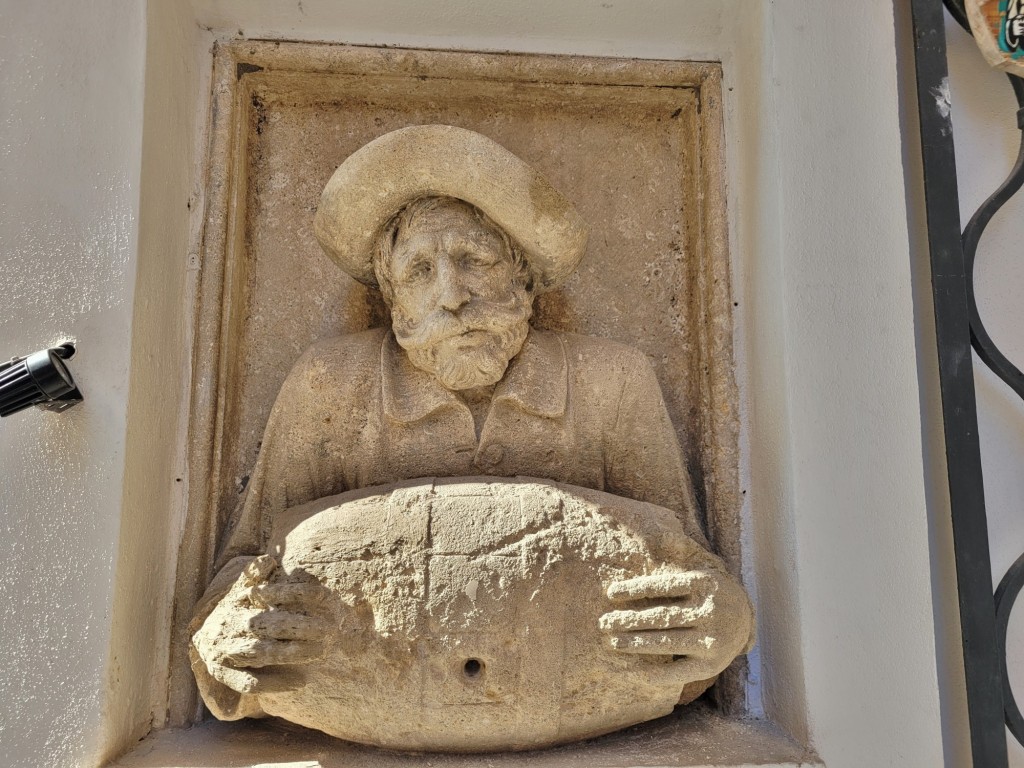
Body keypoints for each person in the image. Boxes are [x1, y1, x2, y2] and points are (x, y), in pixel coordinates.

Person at [190, 125, 753, 723]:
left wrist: (723, 622)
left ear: (521, 276)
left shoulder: (612, 382)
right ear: (393, 299)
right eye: (420, 272)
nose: (451, 296)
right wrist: (223, 634)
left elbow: (690, 565)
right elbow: (244, 567)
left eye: (474, 261)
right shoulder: (330, 384)